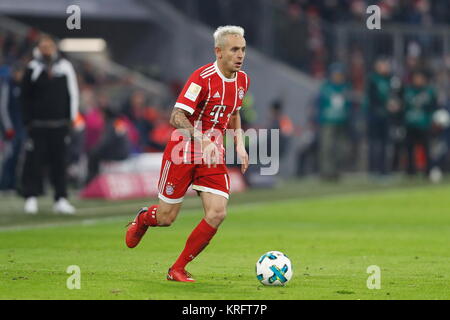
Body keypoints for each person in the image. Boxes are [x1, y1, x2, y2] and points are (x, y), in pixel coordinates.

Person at [125, 25, 250, 282]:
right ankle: (143, 218)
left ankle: (177, 268)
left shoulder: (243, 80)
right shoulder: (201, 78)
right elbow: (176, 116)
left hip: (212, 154)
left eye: (243, 49)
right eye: (235, 49)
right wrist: (202, 138)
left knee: (217, 213)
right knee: (166, 217)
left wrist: (239, 144)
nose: (240, 55)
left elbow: (234, 112)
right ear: (218, 52)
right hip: (184, 150)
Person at [20, 35, 79, 214]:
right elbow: (25, 98)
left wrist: (72, 118)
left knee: (59, 163)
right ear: (38, 47)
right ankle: (31, 197)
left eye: (50, 45)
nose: (47, 48)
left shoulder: (64, 67)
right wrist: (27, 121)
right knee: (34, 162)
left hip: (60, 124)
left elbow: (72, 93)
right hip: (38, 125)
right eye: (43, 45)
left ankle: (60, 198)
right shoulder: (32, 68)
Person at [317, 63, 351, 181]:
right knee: (327, 147)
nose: (338, 77)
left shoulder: (345, 88)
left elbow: (348, 105)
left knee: (340, 149)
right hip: (328, 122)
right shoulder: (326, 87)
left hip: (341, 122)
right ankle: (326, 172)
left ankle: (336, 171)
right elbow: (319, 104)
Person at [402, 69, 437, 176]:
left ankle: (428, 170)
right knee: (409, 149)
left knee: (426, 148)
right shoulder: (407, 91)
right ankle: (411, 171)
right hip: (410, 124)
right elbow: (403, 107)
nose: (418, 80)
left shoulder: (429, 91)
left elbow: (433, 107)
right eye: (416, 78)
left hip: (423, 124)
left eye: (420, 78)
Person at [366, 57, 394, 176]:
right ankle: (373, 170)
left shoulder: (390, 79)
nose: (386, 67)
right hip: (375, 116)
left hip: (386, 116)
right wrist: (385, 104)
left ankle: (383, 170)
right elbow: (372, 98)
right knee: (374, 144)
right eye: (383, 65)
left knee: (385, 144)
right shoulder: (372, 79)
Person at [0, 64, 25, 192]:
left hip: (21, 128)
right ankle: (4, 184)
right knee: (9, 156)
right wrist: (8, 127)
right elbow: (3, 108)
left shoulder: (23, 86)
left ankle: (13, 184)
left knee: (18, 157)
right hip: (10, 130)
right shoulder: (7, 85)